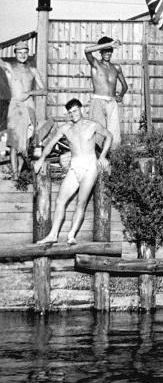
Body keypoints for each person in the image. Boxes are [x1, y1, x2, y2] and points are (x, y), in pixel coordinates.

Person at [34, 99, 112, 245]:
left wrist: (102, 156)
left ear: (80, 109)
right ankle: (53, 235)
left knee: (80, 204)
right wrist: (41, 159)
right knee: (60, 201)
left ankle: (71, 235)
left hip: (90, 166)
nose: (73, 114)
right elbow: (50, 145)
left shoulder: (92, 125)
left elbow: (109, 136)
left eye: (75, 111)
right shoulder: (65, 128)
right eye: (70, 112)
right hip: (75, 165)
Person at [1, 41, 44, 177]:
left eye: (25, 52)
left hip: (29, 106)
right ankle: (15, 175)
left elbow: (44, 90)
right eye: (19, 52)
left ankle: (19, 174)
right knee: (14, 143)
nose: (23, 55)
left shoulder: (32, 70)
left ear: (28, 53)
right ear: (15, 54)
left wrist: (30, 93)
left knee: (25, 144)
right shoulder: (10, 67)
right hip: (15, 107)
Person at [83, 36, 128, 146]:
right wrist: (109, 44)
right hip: (98, 101)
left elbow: (125, 86)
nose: (108, 53)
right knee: (97, 134)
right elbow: (86, 50)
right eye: (105, 50)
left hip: (112, 103)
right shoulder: (95, 64)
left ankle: (113, 159)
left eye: (110, 51)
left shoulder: (116, 68)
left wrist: (120, 95)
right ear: (101, 51)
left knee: (115, 136)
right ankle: (96, 160)